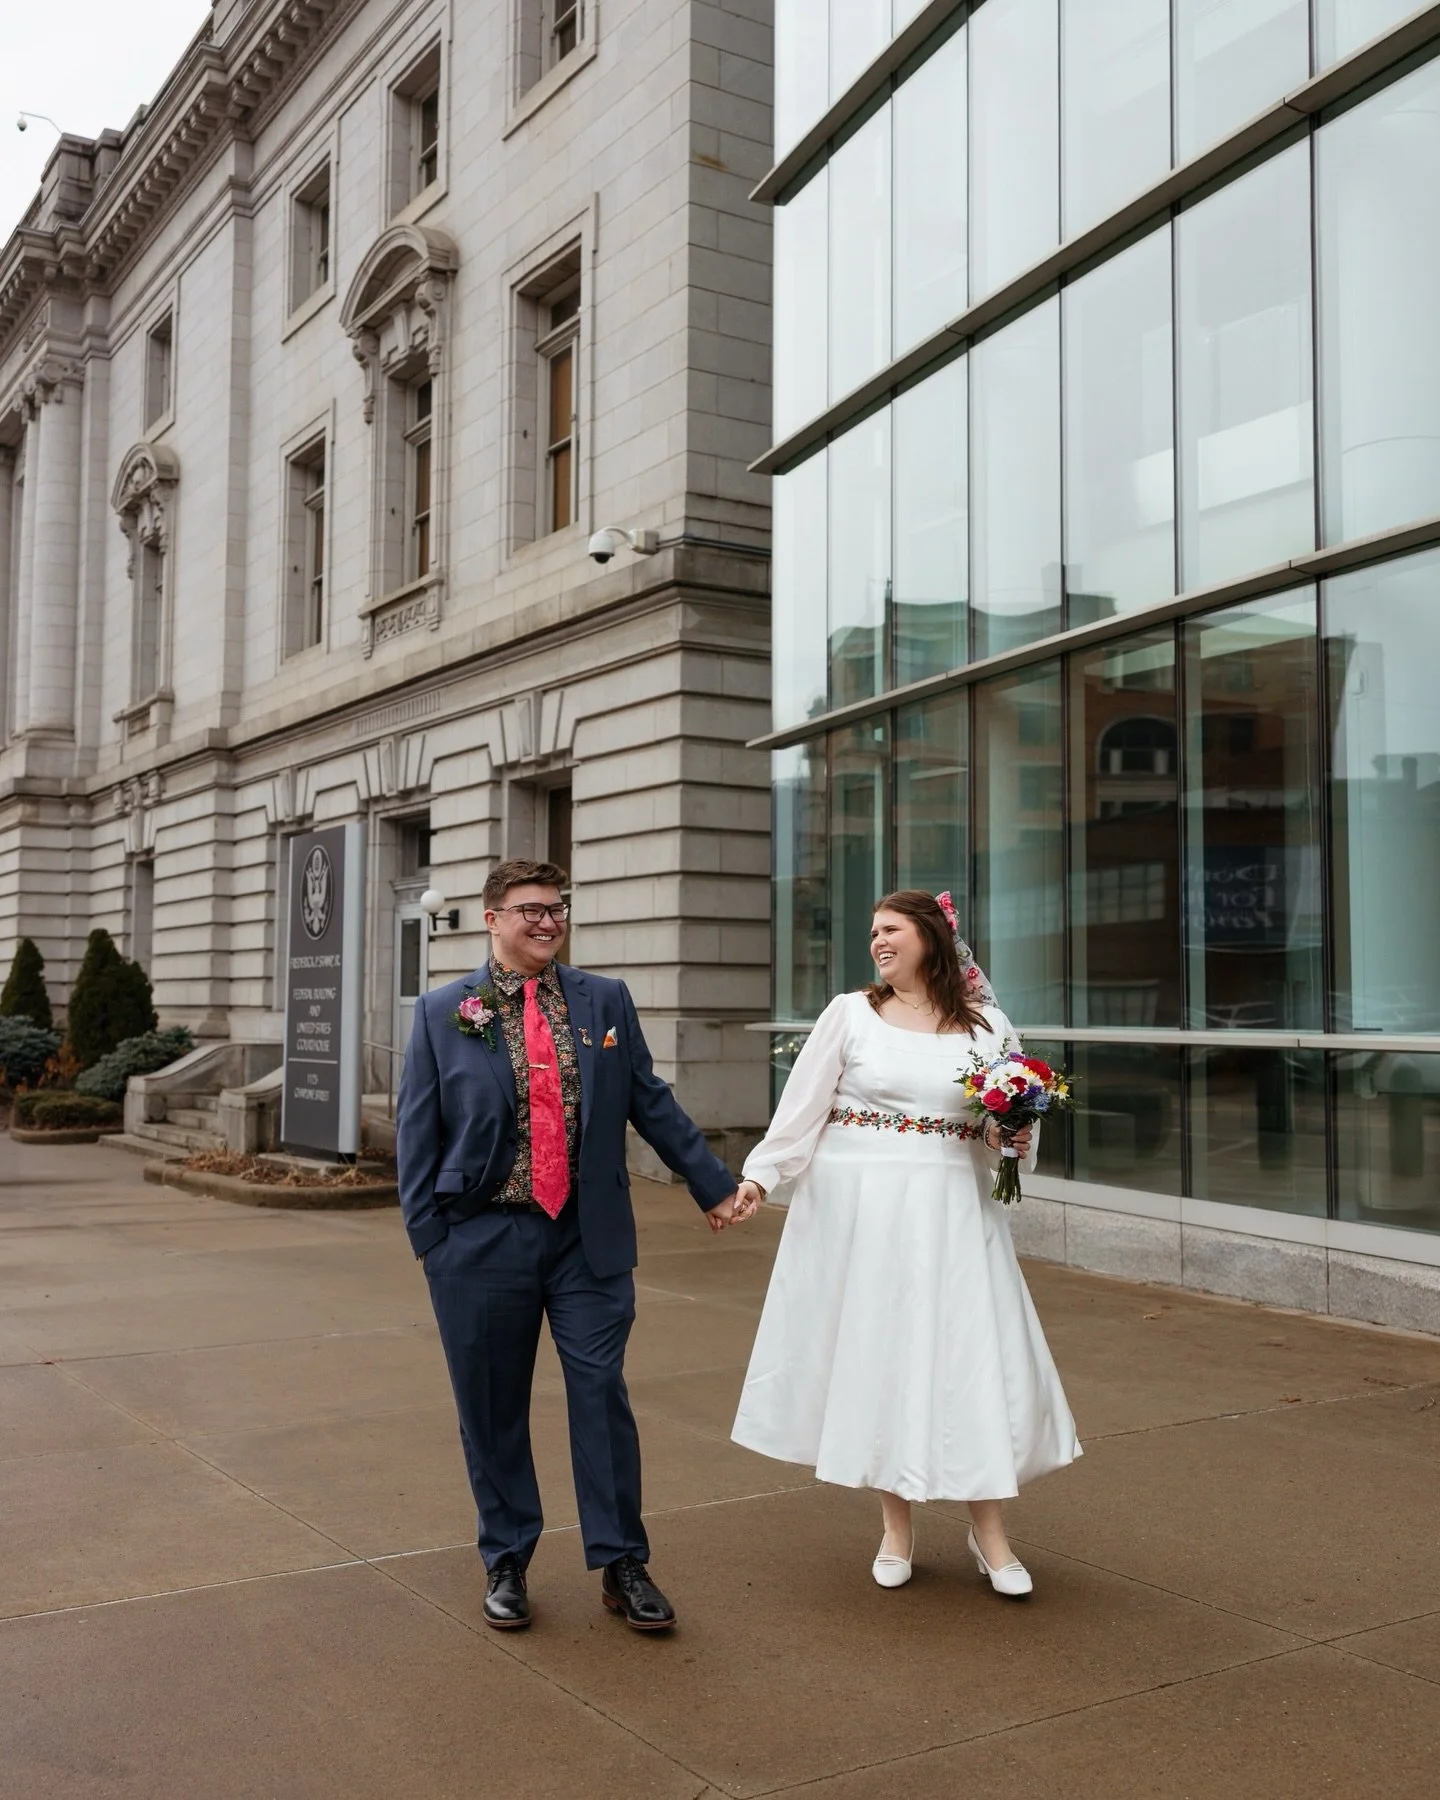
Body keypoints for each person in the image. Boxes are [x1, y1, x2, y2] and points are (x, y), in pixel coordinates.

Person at [397, 858, 746, 1633]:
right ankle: (507, 1559)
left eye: (557, 908)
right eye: (531, 909)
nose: (548, 920)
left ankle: (622, 1562)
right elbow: (417, 1130)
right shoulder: (443, 1012)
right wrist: (431, 1238)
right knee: (492, 1409)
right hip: (481, 1240)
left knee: (601, 1394)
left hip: (587, 1239)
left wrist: (713, 1185)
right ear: (492, 919)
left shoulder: (603, 1000)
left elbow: (648, 1098)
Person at [728, 889, 1080, 1597]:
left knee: (970, 1358)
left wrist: (1010, 1133)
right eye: (873, 931)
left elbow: (1000, 1137)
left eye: (890, 929)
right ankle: (896, 1528)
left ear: (930, 937)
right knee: (882, 1358)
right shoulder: (851, 1013)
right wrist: (760, 1178)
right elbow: (800, 1111)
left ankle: (991, 1536)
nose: (878, 942)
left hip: (953, 1211)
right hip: (864, 1214)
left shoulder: (988, 1027)